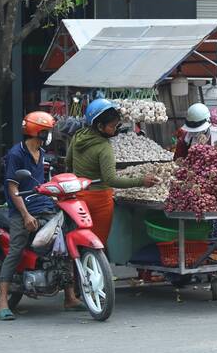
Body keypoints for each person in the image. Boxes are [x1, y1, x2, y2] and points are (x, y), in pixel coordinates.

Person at [0, 112, 83, 321]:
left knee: (63, 245)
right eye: (47, 131)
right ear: (37, 131)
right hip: (21, 210)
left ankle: (70, 297)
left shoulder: (42, 153)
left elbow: (44, 182)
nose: (50, 135)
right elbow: (12, 187)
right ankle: (3, 303)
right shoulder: (16, 154)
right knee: (16, 248)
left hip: (44, 205)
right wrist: (26, 216)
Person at [66, 99, 158, 245]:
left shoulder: (78, 136)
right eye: (112, 126)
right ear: (100, 126)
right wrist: (141, 181)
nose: (115, 130)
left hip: (78, 197)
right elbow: (111, 180)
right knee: (96, 243)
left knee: (78, 241)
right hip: (99, 201)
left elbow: (68, 163)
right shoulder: (104, 147)